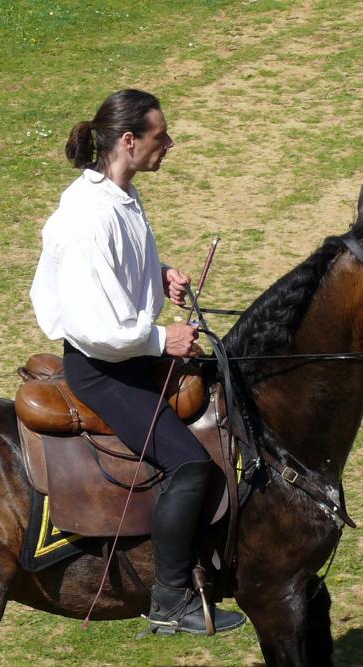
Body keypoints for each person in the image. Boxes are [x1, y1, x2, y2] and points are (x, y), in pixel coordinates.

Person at [29, 89, 246, 636]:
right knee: (189, 464)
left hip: (129, 352)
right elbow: (94, 326)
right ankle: (171, 600)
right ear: (129, 141)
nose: (168, 144)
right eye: (160, 136)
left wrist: (162, 273)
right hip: (104, 368)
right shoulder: (85, 218)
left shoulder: (120, 196)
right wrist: (160, 340)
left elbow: (124, 266)